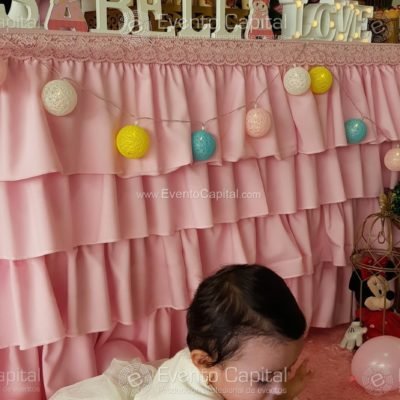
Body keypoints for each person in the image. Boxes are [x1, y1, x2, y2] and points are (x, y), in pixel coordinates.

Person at [51, 264, 312, 400]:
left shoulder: (218, 367)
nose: (279, 386)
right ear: (205, 363)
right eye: (264, 379)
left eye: (285, 371)